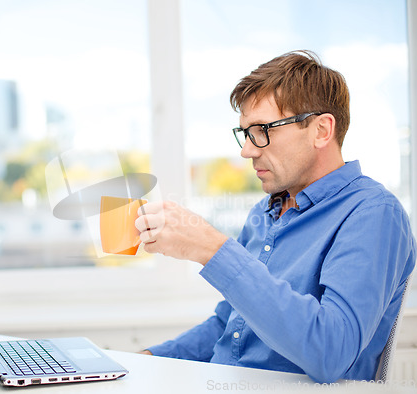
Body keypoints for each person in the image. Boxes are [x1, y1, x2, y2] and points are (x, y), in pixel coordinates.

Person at [134, 50, 416, 383]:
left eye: (263, 129)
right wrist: (146, 359)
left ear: (322, 130)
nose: (247, 150)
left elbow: (332, 351)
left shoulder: (372, 213)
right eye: (245, 133)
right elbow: (230, 326)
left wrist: (214, 250)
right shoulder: (265, 213)